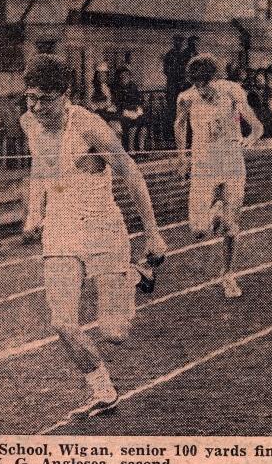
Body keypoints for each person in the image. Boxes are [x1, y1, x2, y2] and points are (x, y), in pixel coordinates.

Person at [19, 54, 167, 418]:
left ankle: (135, 273)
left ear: (65, 94)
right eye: (30, 97)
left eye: (44, 99)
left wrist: (153, 233)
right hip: (60, 229)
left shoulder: (89, 127)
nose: (36, 107)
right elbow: (40, 169)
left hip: (102, 226)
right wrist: (34, 211)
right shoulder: (29, 122)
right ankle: (104, 390)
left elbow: (131, 174)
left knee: (114, 332)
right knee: (62, 322)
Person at [175, 54, 262, 298]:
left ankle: (228, 274)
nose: (203, 91)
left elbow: (257, 126)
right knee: (198, 230)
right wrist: (182, 157)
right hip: (204, 167)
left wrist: (250, 139)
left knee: (230, 225)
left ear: (216, 78)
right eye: (197, 85)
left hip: (232, 163)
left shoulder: (233, 92)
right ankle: (214, 212)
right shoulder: (186, 98)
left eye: (206, 84)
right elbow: (179, 125)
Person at [114, 67, 146, 152]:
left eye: (126, 76)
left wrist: (138, 106)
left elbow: (139, 99)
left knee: (144, 124)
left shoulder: (133, 86)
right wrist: (130, 108)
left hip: (135, 111)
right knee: (133, 125)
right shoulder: (117, 89)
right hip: (123, 112)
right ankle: (131, 148)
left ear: (129, 76)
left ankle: (141, 149)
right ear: (119, 78)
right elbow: (118, 103)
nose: (124, 78)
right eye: (122, 77)